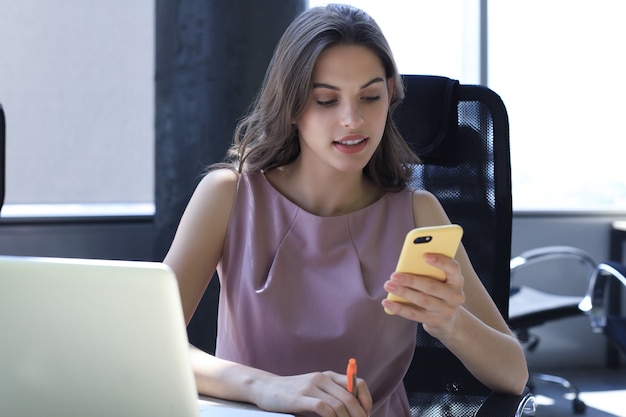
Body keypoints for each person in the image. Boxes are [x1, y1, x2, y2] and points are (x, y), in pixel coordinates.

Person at [163, 4, 529, 417]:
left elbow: (514, 374)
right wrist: (265, 387)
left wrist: (450, 322)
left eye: (370, 97)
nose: (353, 120)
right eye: (326, 100)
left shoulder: (419, 213)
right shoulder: (228, 196)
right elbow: (151, 342)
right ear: (292, 104)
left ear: (390, 94)